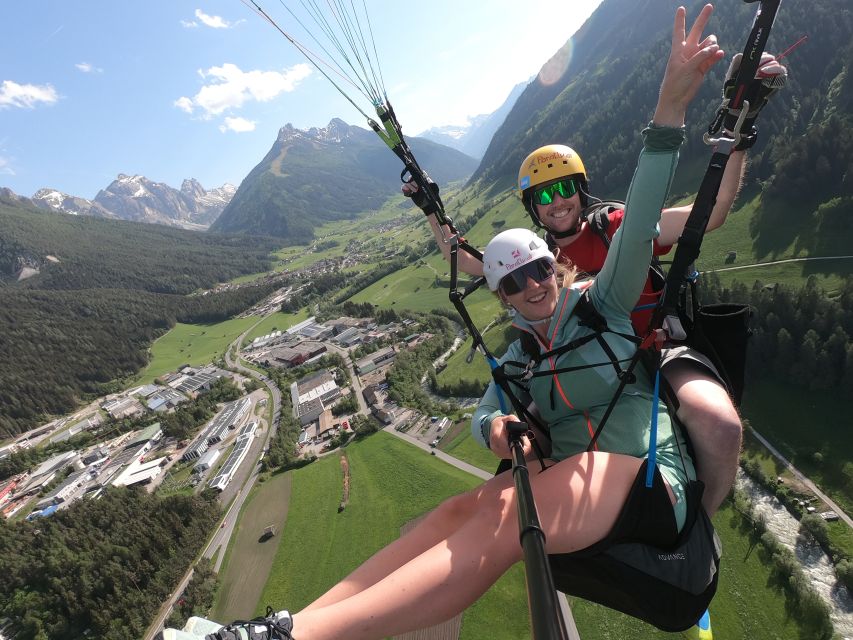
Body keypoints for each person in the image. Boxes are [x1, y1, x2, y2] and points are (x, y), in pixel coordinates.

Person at [184, 7, 723, 640]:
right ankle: (284, 624)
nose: (532, 286)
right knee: (457, 511)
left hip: (644, 478)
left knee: (505, 520)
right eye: (514, 281)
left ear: (559, 268)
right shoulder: (519, 363)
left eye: (540, 271)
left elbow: (637, 232)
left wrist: (667, 116)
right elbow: (484, 412)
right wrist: (498, 430)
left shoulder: (603, 308)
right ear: (502, 295)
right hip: (579, 484)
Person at [409, 46, 786, 518]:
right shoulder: (536, 260)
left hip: (655, 349)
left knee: (719, 427)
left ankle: (698, 526)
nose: (557, 200)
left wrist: (740, 135)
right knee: (523, 453)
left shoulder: (616, 228)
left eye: (565, 186)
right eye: (544, 195)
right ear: (534, 209)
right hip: (581, 360)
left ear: (580, 188)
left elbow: (708, 216)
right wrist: (428, 208)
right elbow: (461, 259)